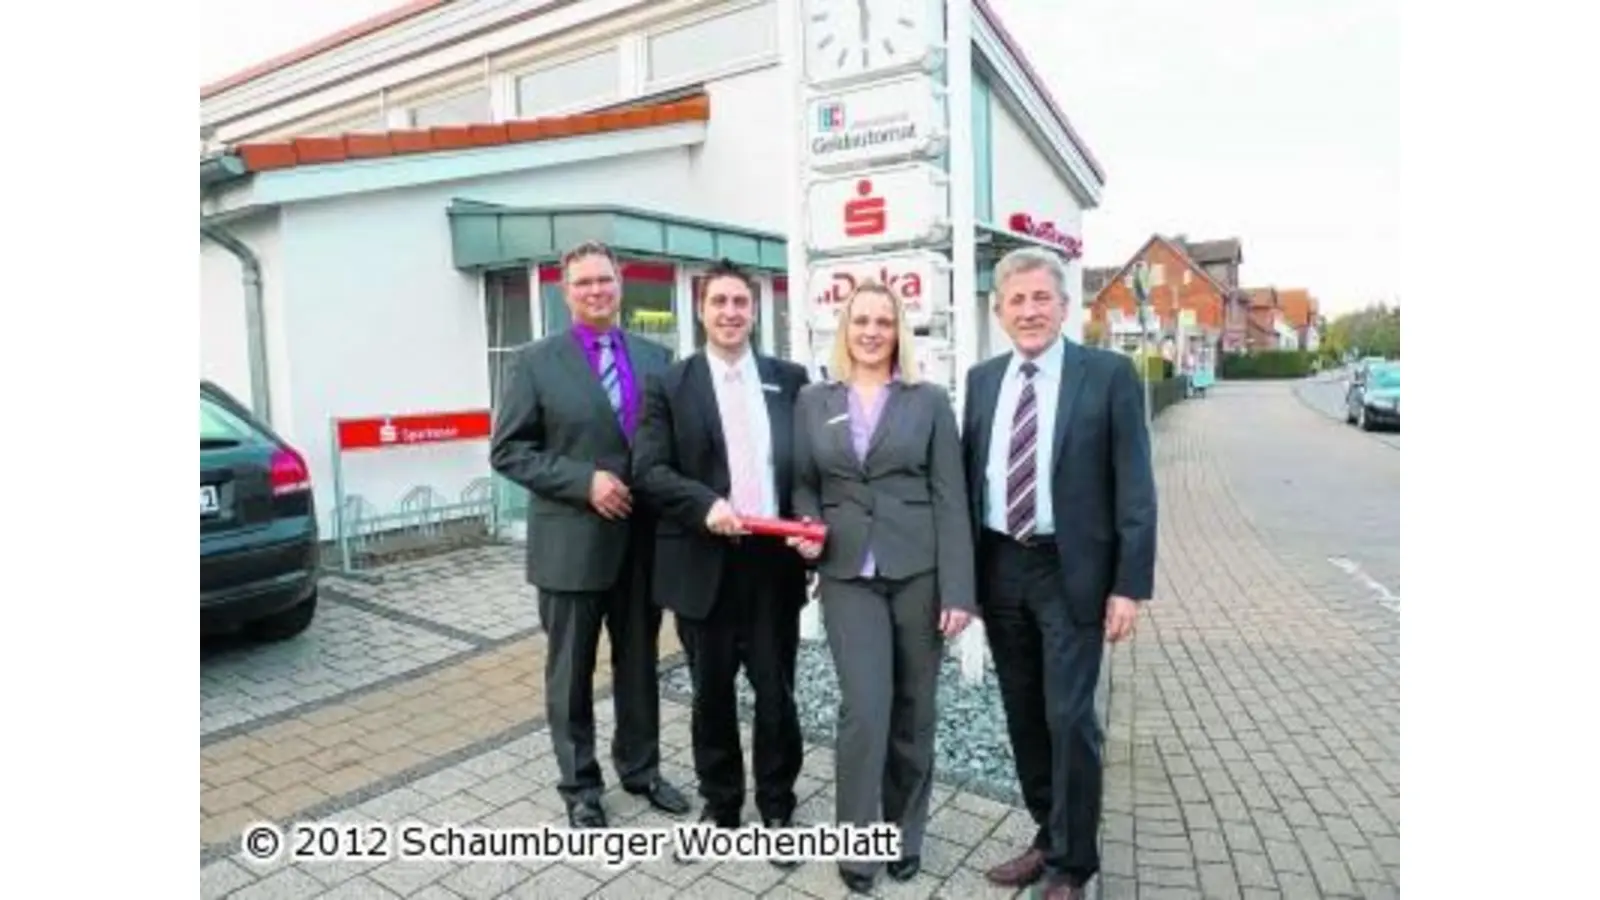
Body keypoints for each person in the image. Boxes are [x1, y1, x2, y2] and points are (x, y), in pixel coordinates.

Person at [962, 247, 1158, 900]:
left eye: (1040, 298)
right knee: (1022, 713)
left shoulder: (1108, 375)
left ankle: (1073, 864)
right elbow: (970, 480)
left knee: (1070, 717)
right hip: (1001, 564)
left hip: (1071, 569)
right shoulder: (983, 380)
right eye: (1015, 301)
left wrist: (1129, 584)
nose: (1028, 311)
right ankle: (1047, 834)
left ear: (1064, 305)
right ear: (999, 310)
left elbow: (1135, 486)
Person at [489, 240, 691, 828]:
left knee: (639, 665)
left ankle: (642, 769)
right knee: (571, 673)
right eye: (583, 284)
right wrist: (584, 482)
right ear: (565, 290)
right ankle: (580, 787)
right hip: (570, 548)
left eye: (604, 280)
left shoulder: (657, 358)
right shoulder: (535, 361)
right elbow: (509, 451)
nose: (596, 291)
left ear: (620, 284)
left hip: (641, 545)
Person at [789, 281, 975, 895]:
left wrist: (959, 592)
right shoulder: (814, 399)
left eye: (884, 322)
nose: (872, 331)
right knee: (865, 709)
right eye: (861, 320)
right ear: (844, 328)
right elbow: (803, 482)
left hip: (919, 574)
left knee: (914, 711)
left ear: (900, 332)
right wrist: (809, 524)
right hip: (847, 574)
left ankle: (905, 834)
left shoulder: (927, 401)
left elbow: (951, 498)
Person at [630, 259, 811, 850]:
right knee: (711, 694)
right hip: (702, 562)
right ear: (701, 311)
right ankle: (722, 805)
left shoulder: (790, 378)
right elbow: (648, 470)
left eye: (741, 302)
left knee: (775, 693)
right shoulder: (670, 384)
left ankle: (778, 805)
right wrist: (705, 503)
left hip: (772, 566)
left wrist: (809, 519)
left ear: (755, 310)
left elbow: (807, 467)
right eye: (720, 303)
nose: (731, 313)